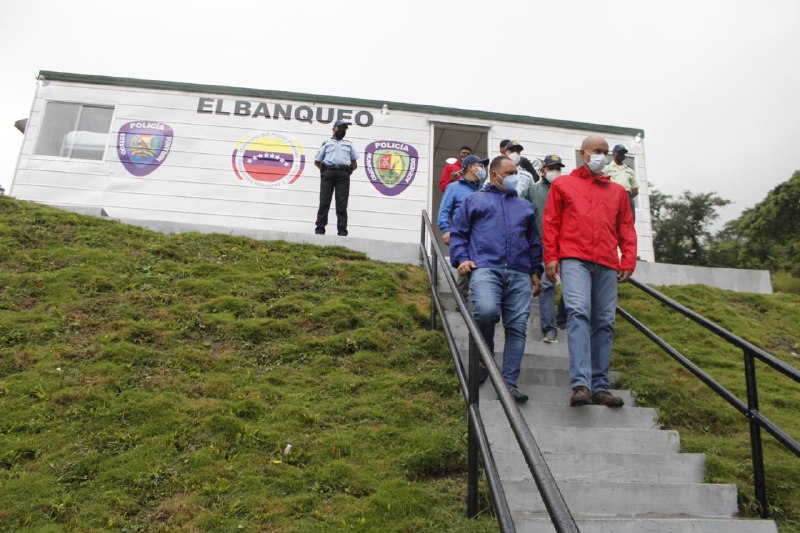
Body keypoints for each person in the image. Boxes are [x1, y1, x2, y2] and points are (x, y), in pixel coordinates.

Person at [543, 135, 637, 408]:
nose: (603, 156)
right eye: (597, 151)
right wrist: (551, 256)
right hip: (574, 258)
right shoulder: (563, 184)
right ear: (583, 154)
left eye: (605, 152)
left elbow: (626, 229)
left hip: (607, 261)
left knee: (605, 322)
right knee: (579, 312)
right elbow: (551, 222)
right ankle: (581, 384)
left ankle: (600, 386)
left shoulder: (618, 192)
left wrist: (628, 260)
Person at [450, 156, 543, 403]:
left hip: (520, 272)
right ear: (495, 175)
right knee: (486, 312)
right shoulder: (474, 200)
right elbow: (459, 233)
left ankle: (509, 384)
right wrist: (461, 259)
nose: (516, 176)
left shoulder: (525, 206)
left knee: (517, 328)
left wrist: (536, 271)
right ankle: (485, 354)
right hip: (485, 267)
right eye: (511, 172)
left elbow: (534, 242)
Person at [522, 154, 565, 343]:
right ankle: (550, 330)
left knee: (573, 285)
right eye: (551, 168)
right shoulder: (531, 191)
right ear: (542, 170)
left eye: (558, 168)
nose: (555, 171)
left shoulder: (566, 191)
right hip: (541, 246)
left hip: (567, 247)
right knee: (547, 285)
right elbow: (522, 218)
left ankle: (562, 317)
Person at [438, 154, 489, 304]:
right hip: (463, 234)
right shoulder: (453, 188)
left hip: (482, 237)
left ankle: (481, 302)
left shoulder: (485, 190)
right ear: (470, 167)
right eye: (480, 165)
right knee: (465, 269)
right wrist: (446, 230)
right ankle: (461, 302)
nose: (483, 169)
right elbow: (444, 211)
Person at [314, 120, 358, 236]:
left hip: (343, 175)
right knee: (324, 202)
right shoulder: (326, 143)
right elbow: (317, 161)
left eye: (344, 129)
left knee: (342, 204)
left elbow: (354, 164)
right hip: (328, 173)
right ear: (333, 129)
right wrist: (324, 171)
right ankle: (320, 228)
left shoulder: (349, 145)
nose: (342, 131)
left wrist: (346, 173)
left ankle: (342, 231)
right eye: (339, 128)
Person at [603, 144, 639, 221]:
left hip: (627, 197)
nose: (621, 154)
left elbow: (635, 190)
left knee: (629, 221)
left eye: (623, 153)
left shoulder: (629, 170)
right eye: (619, 152)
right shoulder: (606, 168)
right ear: (613, 154)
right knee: (613, 220)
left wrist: (626, 196)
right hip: (612, 197)